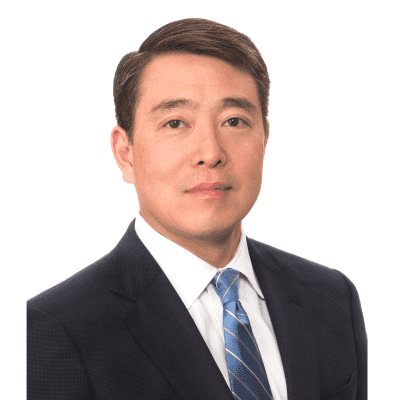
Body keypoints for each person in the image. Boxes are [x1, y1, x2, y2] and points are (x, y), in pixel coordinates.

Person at [26, 18, 367, 400]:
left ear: (264, 139)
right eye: (175, 123)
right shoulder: (51, 331)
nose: (210, 152)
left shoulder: (331, 297)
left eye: (234, 121)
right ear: (125, 153)